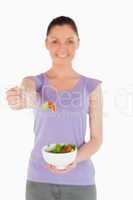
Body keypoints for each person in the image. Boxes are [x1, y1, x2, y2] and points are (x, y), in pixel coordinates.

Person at [6, 16, 103, 200]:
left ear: (78, 43)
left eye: (69, 41)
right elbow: (29, 91)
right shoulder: (37, 82)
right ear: (46, 44)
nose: (62, 48)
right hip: (38, 182)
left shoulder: (91, 87)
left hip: (80, 184)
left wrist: (73, 160)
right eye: (55, 41)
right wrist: (22, 97)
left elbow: (97, 139)